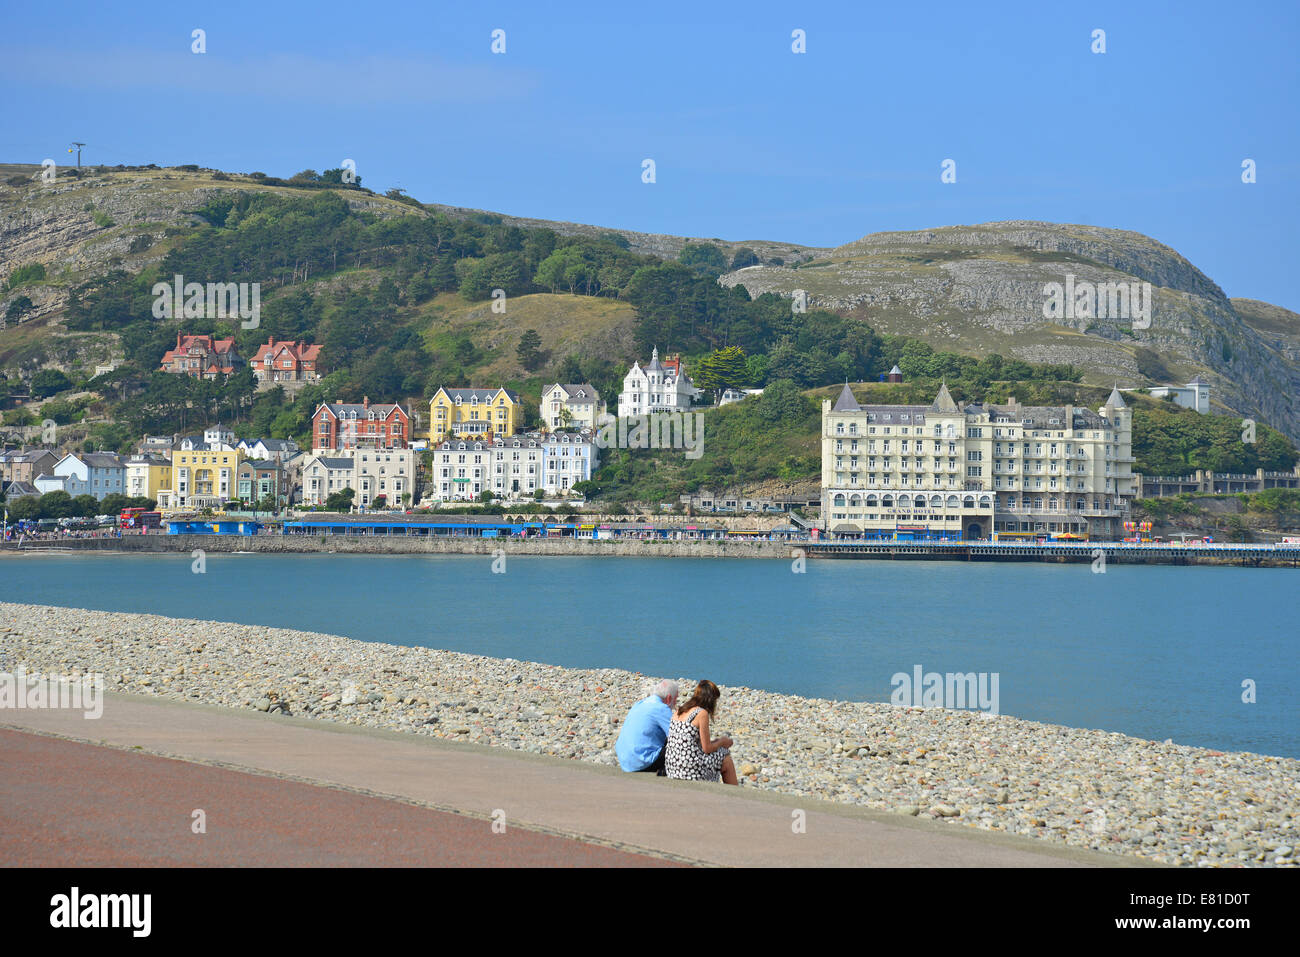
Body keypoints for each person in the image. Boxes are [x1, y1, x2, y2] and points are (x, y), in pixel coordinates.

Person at [664, 679, 738, 785]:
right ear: (710, 699)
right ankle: (735, 794)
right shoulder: (701, 713)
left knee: (719, 752)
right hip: (689, 770)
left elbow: (693, 743)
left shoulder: (679, 711)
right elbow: (707, 748)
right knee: (725, 757)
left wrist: (716, 742)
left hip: (673, 768)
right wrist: (722, 742)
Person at [614, 679, 678, 773]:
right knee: (680, 746)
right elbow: (677, 735)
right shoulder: (662, 708)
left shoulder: (640, 703)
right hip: (642, 762)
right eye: (675, 699)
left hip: (625, 761)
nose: (675, 703)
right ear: (669, 698)